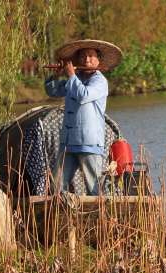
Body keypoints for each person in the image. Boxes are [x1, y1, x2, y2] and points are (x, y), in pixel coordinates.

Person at [44, 40, 122, 195]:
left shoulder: (100, 81)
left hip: (89, 142)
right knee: (57, 186)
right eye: (83, 57)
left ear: (98, 60)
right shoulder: (75, 79)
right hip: (68, 142)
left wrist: (71, 75)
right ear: (77, 60)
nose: (87, 60)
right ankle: (62, 216)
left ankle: (100, 217)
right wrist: (55, 76)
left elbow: (83, 95)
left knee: (94, 188)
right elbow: (53, 91)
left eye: (91, 56)